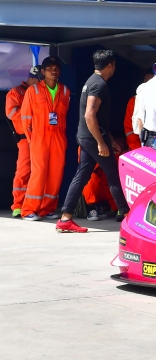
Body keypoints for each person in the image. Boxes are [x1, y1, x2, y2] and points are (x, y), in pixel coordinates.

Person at [57, 51, 132, 232]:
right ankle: (128, 216)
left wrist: (109, 139)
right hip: (92, 138)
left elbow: (96, 118)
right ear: (110, 65)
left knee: (81, 176)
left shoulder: (90, 81)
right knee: (113, 176)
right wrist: (101, 142)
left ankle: (65, 218)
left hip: (87, 137)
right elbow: (90, 115)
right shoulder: (99, 85)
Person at [19, 56, 70, 221]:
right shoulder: (32, 91)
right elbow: (26, 117)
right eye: (49, 68)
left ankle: (47, 208)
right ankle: (28, 210)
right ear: (42, 71)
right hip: (39, 138)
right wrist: (31, 139)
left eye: (56, 68)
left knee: (56, 173)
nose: (53, 71)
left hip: (58, 137)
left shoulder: (65, 91)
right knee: (39, 173)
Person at [4, 66, 41, 218]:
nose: (41, 84)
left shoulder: (40, 92)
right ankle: (18, 205)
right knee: (23, 171)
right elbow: (11, 113)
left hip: (40, 138)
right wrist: (32, 112)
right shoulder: (16, 92)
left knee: (39, 173)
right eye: (39, 81)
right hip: (25, 139)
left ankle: (35, 205)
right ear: (33, 78)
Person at [124, 71, 154, 150]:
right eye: (146, 81)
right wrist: (138, 148)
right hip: (137, 147)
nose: (147, 84)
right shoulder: (133, 100)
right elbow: (129, 129)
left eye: (150, 81)